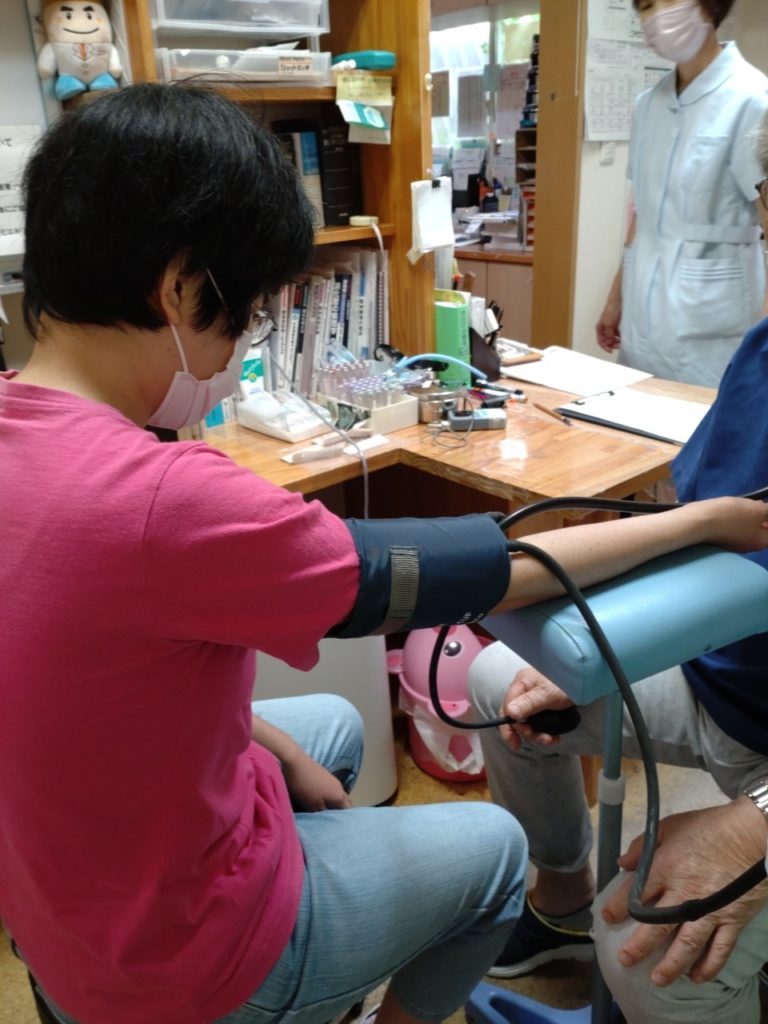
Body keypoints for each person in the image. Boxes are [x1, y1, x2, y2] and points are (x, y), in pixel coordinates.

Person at [1, 83, 767, 1024]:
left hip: (55, 905)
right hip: (168, 961)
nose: (241, 347)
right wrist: (701, 523)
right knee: (492, 849)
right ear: (180, 288)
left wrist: (272, 750)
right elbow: (486, 570)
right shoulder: (163, 498)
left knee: (328, 727)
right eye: (247, 314)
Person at [469, 109, 768, 1024]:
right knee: (498, 680)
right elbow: (707, 534)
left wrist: (758, 822)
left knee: (648, 953)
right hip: (729, 686)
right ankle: (558, 896)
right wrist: (606, 646)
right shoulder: (762, 354)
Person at [595, 0, 768, 387]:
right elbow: (642, 215)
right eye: (645, 6)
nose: (656, 15)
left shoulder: (753, 99)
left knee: (704, 422)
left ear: (708, 6)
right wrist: (615, 298)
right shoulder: (647, 106)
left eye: (669, 0)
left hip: (713, 335)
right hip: (641, 325)